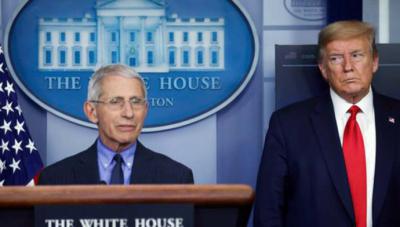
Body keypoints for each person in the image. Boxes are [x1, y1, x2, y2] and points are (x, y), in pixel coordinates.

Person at [254, 20, 400, 227]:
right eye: (336, 58)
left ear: (374, 61)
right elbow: (268, 211)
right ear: (323, 69)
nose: (348, 67)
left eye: (357, 55)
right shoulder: (288, 125)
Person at [38, 64, 194, 185]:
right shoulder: (55, 179)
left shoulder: (176, 177)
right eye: (115, 102)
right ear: (92, 111)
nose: (129, 113)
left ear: (145, 110)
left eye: (136, 102)